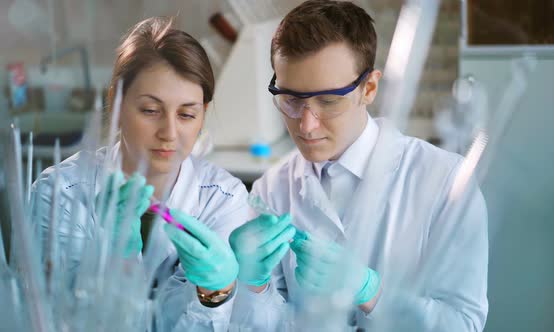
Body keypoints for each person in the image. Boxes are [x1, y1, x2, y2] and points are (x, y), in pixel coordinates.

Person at [228, 1, 488, 331]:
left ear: (369, 88)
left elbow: (463, 324)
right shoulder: (272, 188)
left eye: (328, 101)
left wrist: (370, 291)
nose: (306, 126)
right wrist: (253, 287)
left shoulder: (447, 181)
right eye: (291, 100)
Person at [31, 17, 247, 331]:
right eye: (150, 110)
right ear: (116, 105)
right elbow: (62, 319)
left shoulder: (224, 200)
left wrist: (215, 293)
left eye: (187, 114)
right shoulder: (60, 194)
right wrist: (115, 260)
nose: (170, 133)